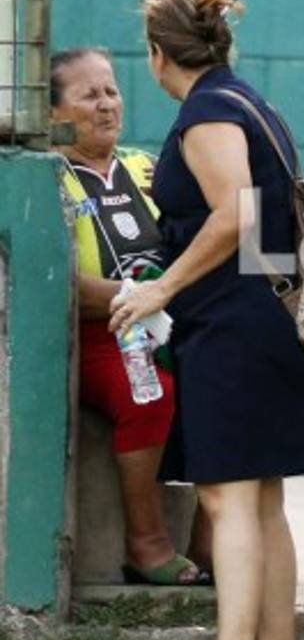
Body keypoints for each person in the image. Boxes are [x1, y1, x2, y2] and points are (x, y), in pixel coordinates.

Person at [110, 0, 304, 640]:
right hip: (260, 321)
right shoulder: (248, 101)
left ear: (157, 55)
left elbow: (232, 215)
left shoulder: (208, 113)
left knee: (227, 501)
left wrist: (161, 288)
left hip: (234, 325)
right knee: (260, 501)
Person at [51, 46, 208, 586]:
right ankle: (146, 543)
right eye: (88, 95)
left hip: (170, 319)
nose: (105, 105)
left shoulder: (146, 168)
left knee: (236, 378)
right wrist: (135, 295)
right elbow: (61, 285)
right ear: (53, 113)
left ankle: (211, 543)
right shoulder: (50, 179)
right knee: (149, 392)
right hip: (101, 335)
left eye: (111, 91)